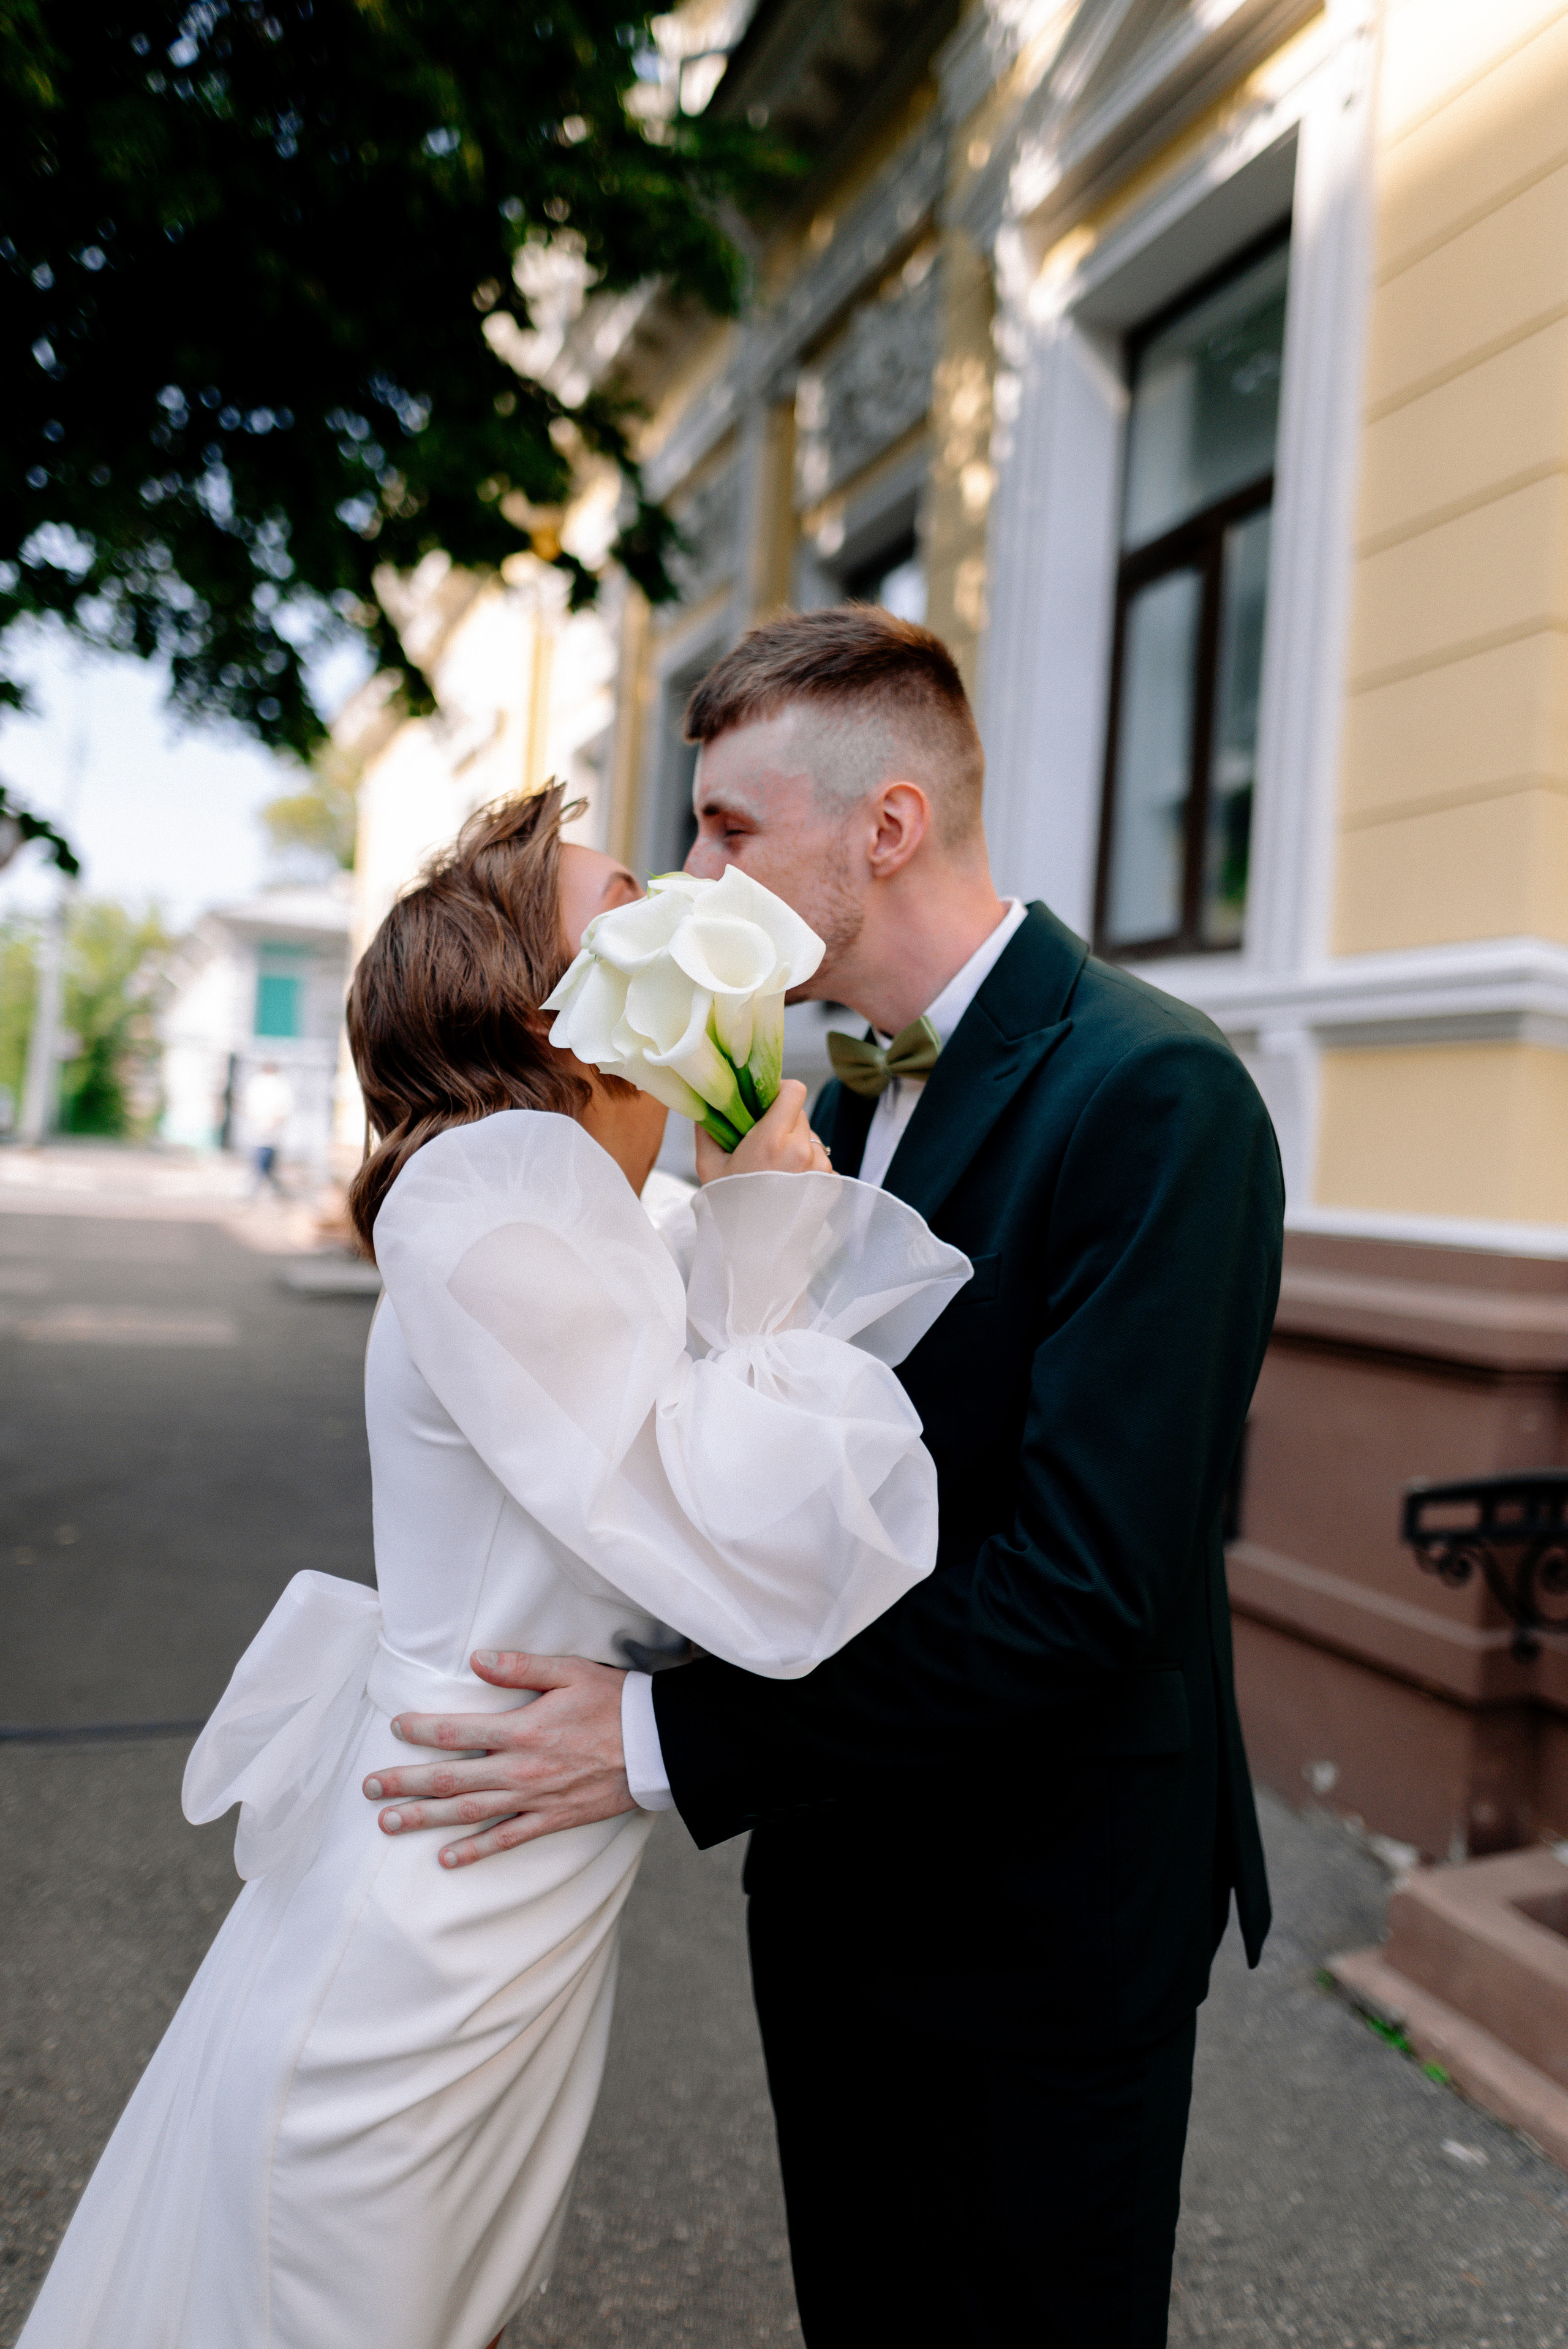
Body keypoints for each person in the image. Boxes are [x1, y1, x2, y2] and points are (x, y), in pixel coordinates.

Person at [368, 608, 1286, 2347]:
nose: (692, 876)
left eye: (729, 827)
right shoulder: (818, 1104)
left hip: (1043, 1918)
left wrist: (660, 1738)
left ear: (887, 827)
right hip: (835, 1886)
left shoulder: (1155, 1092)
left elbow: (1083, 1585)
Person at [16, 787, 969, 2349]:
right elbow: (760, 1558)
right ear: (552, 1012)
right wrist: (769, 1238)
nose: (688, 900)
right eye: (631, 898)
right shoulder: (495, 1192)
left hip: (512, 1892)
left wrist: (739, 1211)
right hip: (432, 1916)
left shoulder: (592, 1206)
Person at [242, 1057, 294, 1193]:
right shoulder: (257, 1082)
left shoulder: (280, 1083)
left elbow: (285, 1106)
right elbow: (249, 1103)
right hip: (258, 1125)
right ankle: (267, 1185)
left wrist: (276, 1121)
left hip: (273, 1127)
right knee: (261, 1155)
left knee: (267, 1156)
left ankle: (262, 1185)